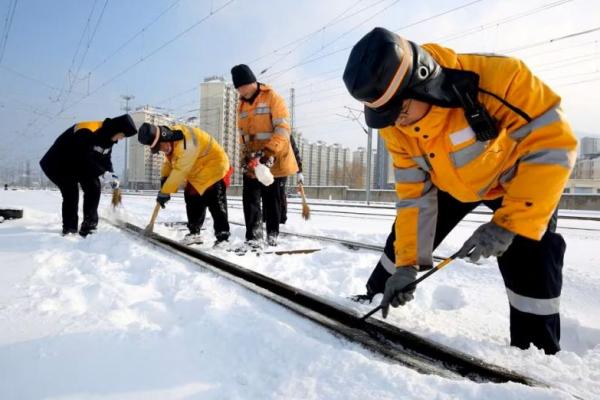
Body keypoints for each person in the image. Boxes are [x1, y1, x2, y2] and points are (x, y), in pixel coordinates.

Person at [343, 27, 577, 354]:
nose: (398, 125)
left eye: (402, 112)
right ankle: (374, 299)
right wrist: (407, 265)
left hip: (513, 179)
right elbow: (413, 196)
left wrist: (509, 224)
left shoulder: (499, 78)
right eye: (388, 117)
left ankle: (534, 352)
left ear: (425, 82)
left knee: (532, 251)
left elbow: (554, 143)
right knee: (399, 247)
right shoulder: (395, 128)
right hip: (448, 181)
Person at [231, 64, 298, 247]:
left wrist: (269, 152)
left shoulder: (273, 98)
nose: (240, 92)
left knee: (271, 198)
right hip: (253, 158)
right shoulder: (242, 104)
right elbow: (243, 134)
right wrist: (245, 156)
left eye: (242, 87)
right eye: (238, 89)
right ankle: (253, 237)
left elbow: (283, 129)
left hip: (273, 155)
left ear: (251, 82)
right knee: (250, 197)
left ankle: (272, 235)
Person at [39, 114, 137, 236]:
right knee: (71, 192)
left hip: (77, 163)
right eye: (122, 135)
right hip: (58, 163)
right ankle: (70, 229)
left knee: (94, 186)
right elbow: (83, 157)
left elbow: (105, 158)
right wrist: (103, 173)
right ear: (117, 129)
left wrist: (111, 174)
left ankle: (89, 225)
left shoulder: (109, 138)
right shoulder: (87, 129)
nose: (121, 139)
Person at [137, 122, 231, 246]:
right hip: (197, 170)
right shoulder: (171, 141)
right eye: (158, 149)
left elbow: (180, 170)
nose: (161, 150)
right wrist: (164, 180)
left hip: (215, 166)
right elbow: (169, 163)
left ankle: (223, 238)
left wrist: (166, 191)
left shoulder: (186, 142)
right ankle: (194, 233)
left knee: (214, 201)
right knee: (191, 198)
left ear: (164, 138)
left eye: (160, 146)